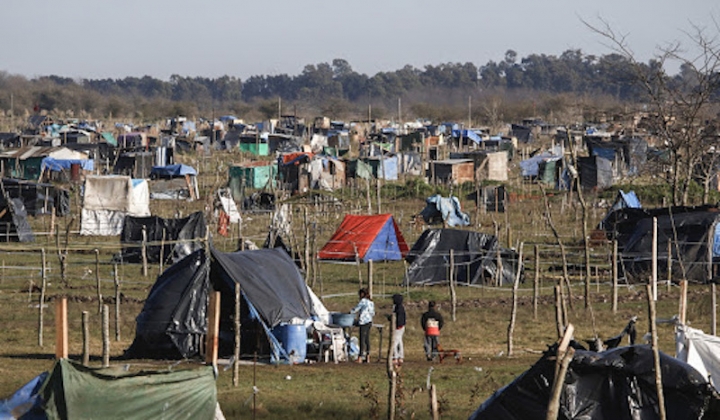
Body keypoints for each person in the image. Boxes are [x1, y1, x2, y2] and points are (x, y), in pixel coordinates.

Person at [350, 288, 374, 363]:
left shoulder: (363, 301)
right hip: (369, 322)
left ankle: (360, 357)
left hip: (363, 322)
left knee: (362, 339)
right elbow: (373, 313)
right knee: (367, 339)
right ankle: (368, 356)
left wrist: (350, 312)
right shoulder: (371, 302)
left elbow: (356, 309)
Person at [389, 294, 406, 365]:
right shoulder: (401, 307)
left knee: (394, 342)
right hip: (402, 326)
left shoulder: (398, 308)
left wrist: (397, 325)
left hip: (398, 326)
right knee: (399, 341)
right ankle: (401, 357)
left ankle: (395, 357)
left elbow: (398, 318)